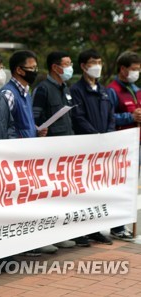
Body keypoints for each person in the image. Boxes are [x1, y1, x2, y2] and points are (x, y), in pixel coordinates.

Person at [1, 50, 75, 255]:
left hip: (30, 150)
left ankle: (35, 239)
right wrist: (19, 142)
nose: (35, 71)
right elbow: (5, 124)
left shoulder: (26, 91)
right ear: (18, 70)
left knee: (34, 198)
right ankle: (23, 244)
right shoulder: (9, 93)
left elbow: (24, 121)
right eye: (31, 68)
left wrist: (36, 129)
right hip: (18, 153)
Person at [70, 49, 115, 246]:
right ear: (83, 66)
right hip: (85, 147)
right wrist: (95, 136)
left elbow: (111, 116)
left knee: (98, 190)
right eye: (92, 62)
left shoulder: (103, 90)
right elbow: (77, 117)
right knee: (82, 191)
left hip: (102, 148)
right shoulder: (76, 90)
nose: (97, 65)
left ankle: (95, 229)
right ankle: (79, 232)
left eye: (99, 61)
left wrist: (108, 134)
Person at [106, 51, 140, 242]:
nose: (137, 73)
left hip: (137, 144)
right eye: (134, 69)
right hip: (121, 146)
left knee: (131, 186)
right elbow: (108, 117)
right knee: (120, 185)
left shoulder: (136, 89)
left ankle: (123, 223)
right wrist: (129, 117)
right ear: (123, 69)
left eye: (138, 69)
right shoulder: (112, 90)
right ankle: (117, 226)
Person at [32, 51, 75, 137]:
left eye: (71, 64)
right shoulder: (43, 88)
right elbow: (34, 117)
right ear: (55, 67)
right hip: (52, 141)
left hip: (68, 138)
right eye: (66, 64)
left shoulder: (66, 88)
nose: (70, 68)